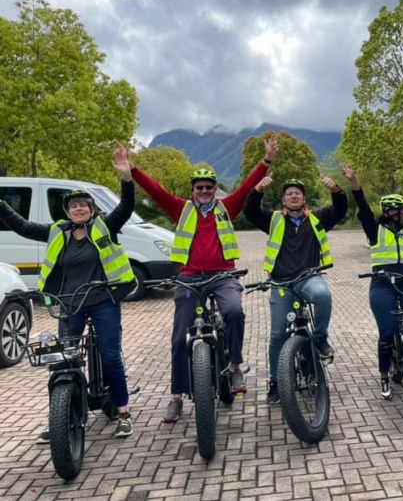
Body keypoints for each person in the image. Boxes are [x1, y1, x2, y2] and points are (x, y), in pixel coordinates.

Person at [128, 138, 278, 423]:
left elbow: (246, 187)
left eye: (209, 187)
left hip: (223, 276)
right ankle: (176, 397)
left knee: (234, 311)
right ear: (193, 190)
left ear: (214, 189)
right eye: (200, 187)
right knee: (179, 336)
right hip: (189, 278)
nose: (205, 191)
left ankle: (234, 366)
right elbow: (155, 190)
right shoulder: (181, 209)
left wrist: (267, 160)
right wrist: (132, 169)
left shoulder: (226, 208)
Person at [0, 143, 137, 439]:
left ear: (91, 209)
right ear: (67, 211)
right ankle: (59, 418)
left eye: (83, 205)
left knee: (111, 356)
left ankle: (124, 413)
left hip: (103, 301)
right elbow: (21, 226)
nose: (78, 209)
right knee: (61, 359)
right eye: (73, 206)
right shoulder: (57, 231)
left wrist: (126, 177)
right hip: (69, 304)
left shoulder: (104, 226)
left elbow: (126, 207)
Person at [243, 173, 348, 404]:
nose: (293, 196)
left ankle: (320, 338)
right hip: (281, 283)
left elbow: (340, 210)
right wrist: (257, 189)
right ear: (283, 200)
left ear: (304, 199)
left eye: (297, 193)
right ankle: (275, 383)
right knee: (278, 335)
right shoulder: (273, 220)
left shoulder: (317, 219)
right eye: (289, 194)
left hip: (309, 277)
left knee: (323, 295)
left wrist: (336, 190)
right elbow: (250, 211)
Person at [341, 162, 403, 400]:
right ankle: (384, 376)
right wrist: (353, 180)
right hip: (382, 286)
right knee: (387, 332)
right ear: (392, 213)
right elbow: (361, 203)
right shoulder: (374, 230)